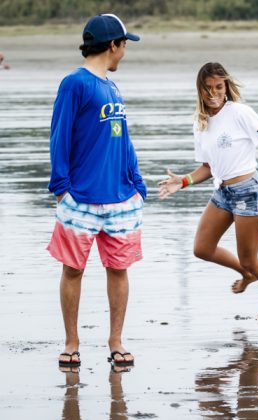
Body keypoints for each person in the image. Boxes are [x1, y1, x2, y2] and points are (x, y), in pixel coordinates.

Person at [158, 62, 258, 317]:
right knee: (202, 249)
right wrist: (183, 181)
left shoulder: (239, 112)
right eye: (207, 88)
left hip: (248, 193)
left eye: (218, 87)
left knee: (250, 258)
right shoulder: (200, 123)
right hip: (222, 193)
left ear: (226, 86)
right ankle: (246, 274)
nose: (213, 93)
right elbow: (208, 167)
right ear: (200, 89)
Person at [47, 13, 145, 368]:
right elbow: (59, 135)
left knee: (118, 269)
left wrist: (137, 182)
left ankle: (115, 341)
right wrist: (61, 187)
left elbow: (123, 138)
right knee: (73, 269)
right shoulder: (76, 83)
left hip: (121, 197)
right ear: (112, 45)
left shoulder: (112, 87)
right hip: (79, 198)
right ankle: (72, 342)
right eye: (123, 45)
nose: (124, 52)